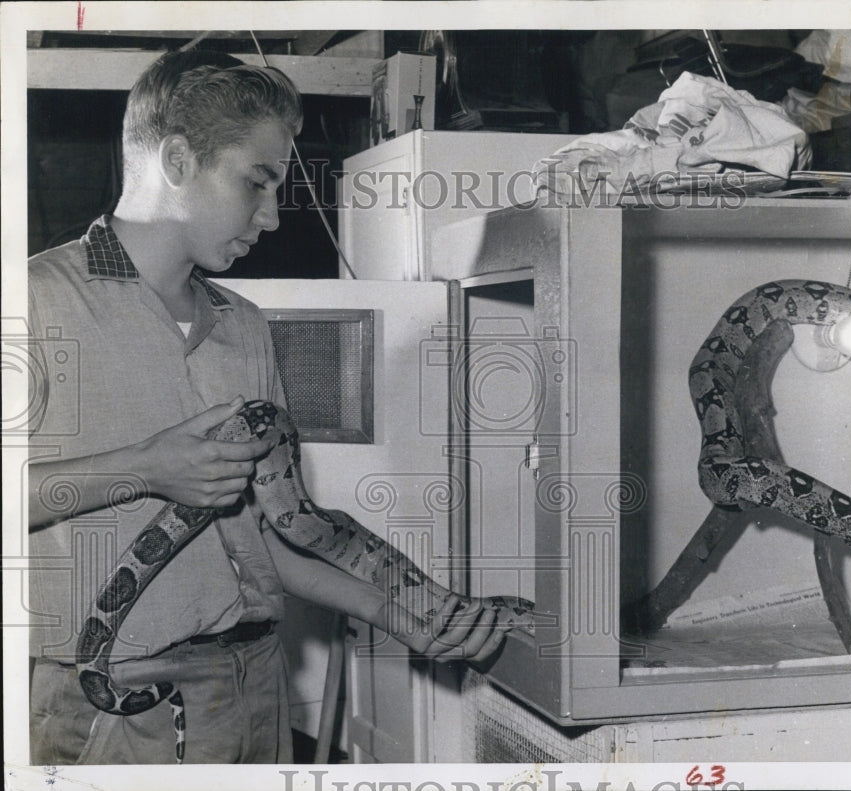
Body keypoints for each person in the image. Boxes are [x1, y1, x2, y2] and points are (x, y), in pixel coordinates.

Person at [27, 50, 506, 765]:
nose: (275, 216)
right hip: (116, 703)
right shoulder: (34, 299)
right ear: (179, 160)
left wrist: (397, 614)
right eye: (258, 181)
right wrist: (146, 468)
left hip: (255, 682)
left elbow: (272, 535)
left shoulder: (245, 325)